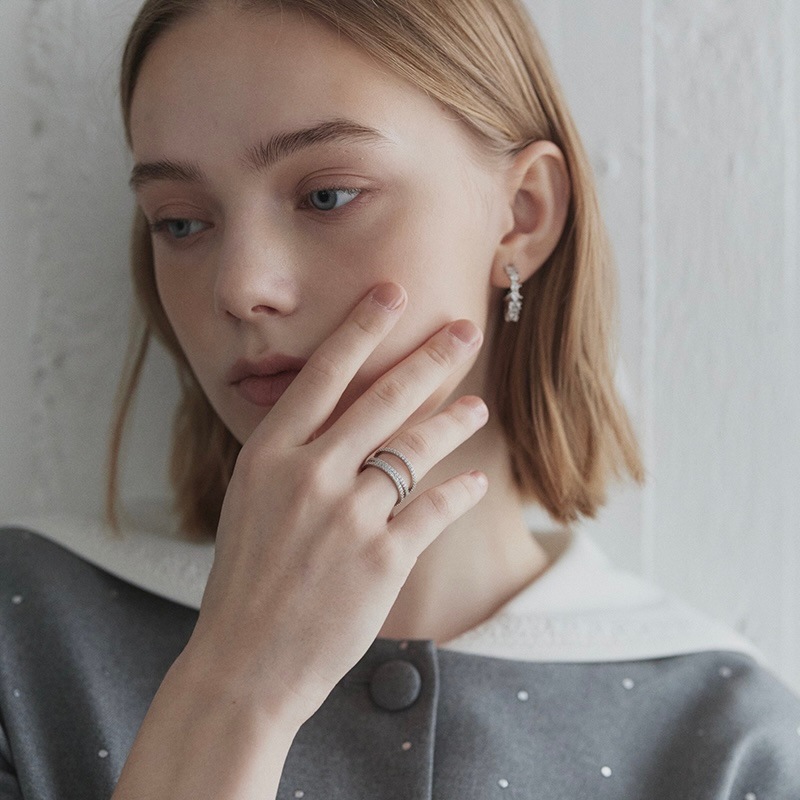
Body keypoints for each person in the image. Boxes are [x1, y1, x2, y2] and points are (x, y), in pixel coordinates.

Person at [1, 0, 799, 798]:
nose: (240, 288)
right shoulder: (26, 636)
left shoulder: (732, 745)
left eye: (327, 196)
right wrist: (236, 687)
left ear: (522, 215)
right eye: (179, 224)